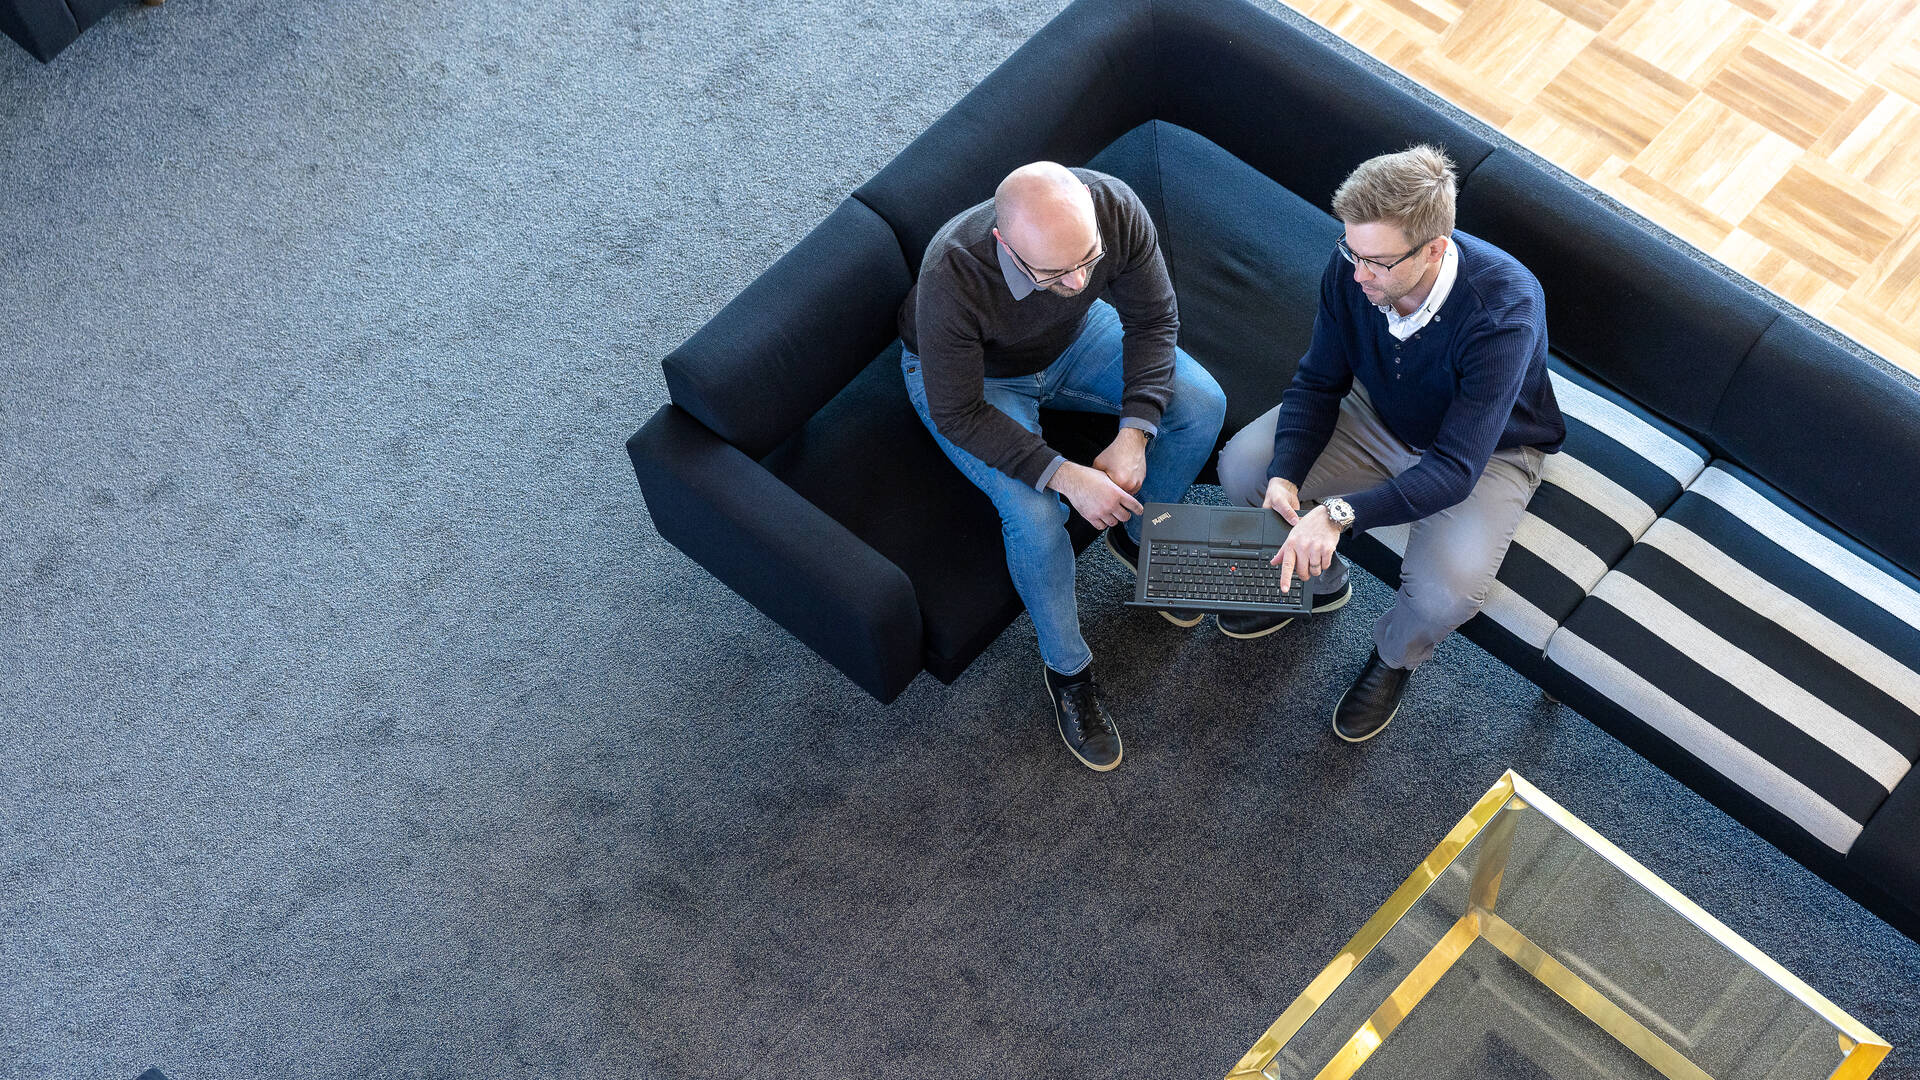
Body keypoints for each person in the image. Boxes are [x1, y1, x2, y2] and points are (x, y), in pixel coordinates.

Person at [1216, 145, 1565, 743]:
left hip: (1487, 453)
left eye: (1375, 261)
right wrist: (1287, 473)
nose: (1356, 274)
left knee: (1442, 596)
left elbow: (1456, 467)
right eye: (1350, 250)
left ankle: (1392, 657)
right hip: (1377, 412)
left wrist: (1339, 513)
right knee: (1245, 468)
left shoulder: (1505, 308)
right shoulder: (1354, 263)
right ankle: (1319, 585)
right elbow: (1319, 380)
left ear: (1434, 247)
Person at [900, 162, 1227, 772]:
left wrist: (1134, 433)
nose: (1079, 279)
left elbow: (1154, 320)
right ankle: (1068, 671)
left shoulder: (1114, 206)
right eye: (1055, 272)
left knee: (1204, 402)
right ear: (1006, 247)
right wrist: (1064, 473)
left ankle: (1139, 538)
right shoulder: (954, 270)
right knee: (1034, 512)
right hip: (974, 383)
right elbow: (958, 413)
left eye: (1088, 260)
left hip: (1073, 340)